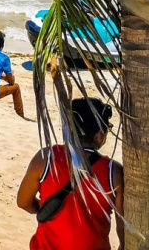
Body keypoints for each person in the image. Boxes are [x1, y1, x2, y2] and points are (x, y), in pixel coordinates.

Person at [17, 98, 124, 250]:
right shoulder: (114, 172)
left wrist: (45, 209)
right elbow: (123, 230)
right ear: (99, 135)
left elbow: (23, 202)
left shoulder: (45, 158)